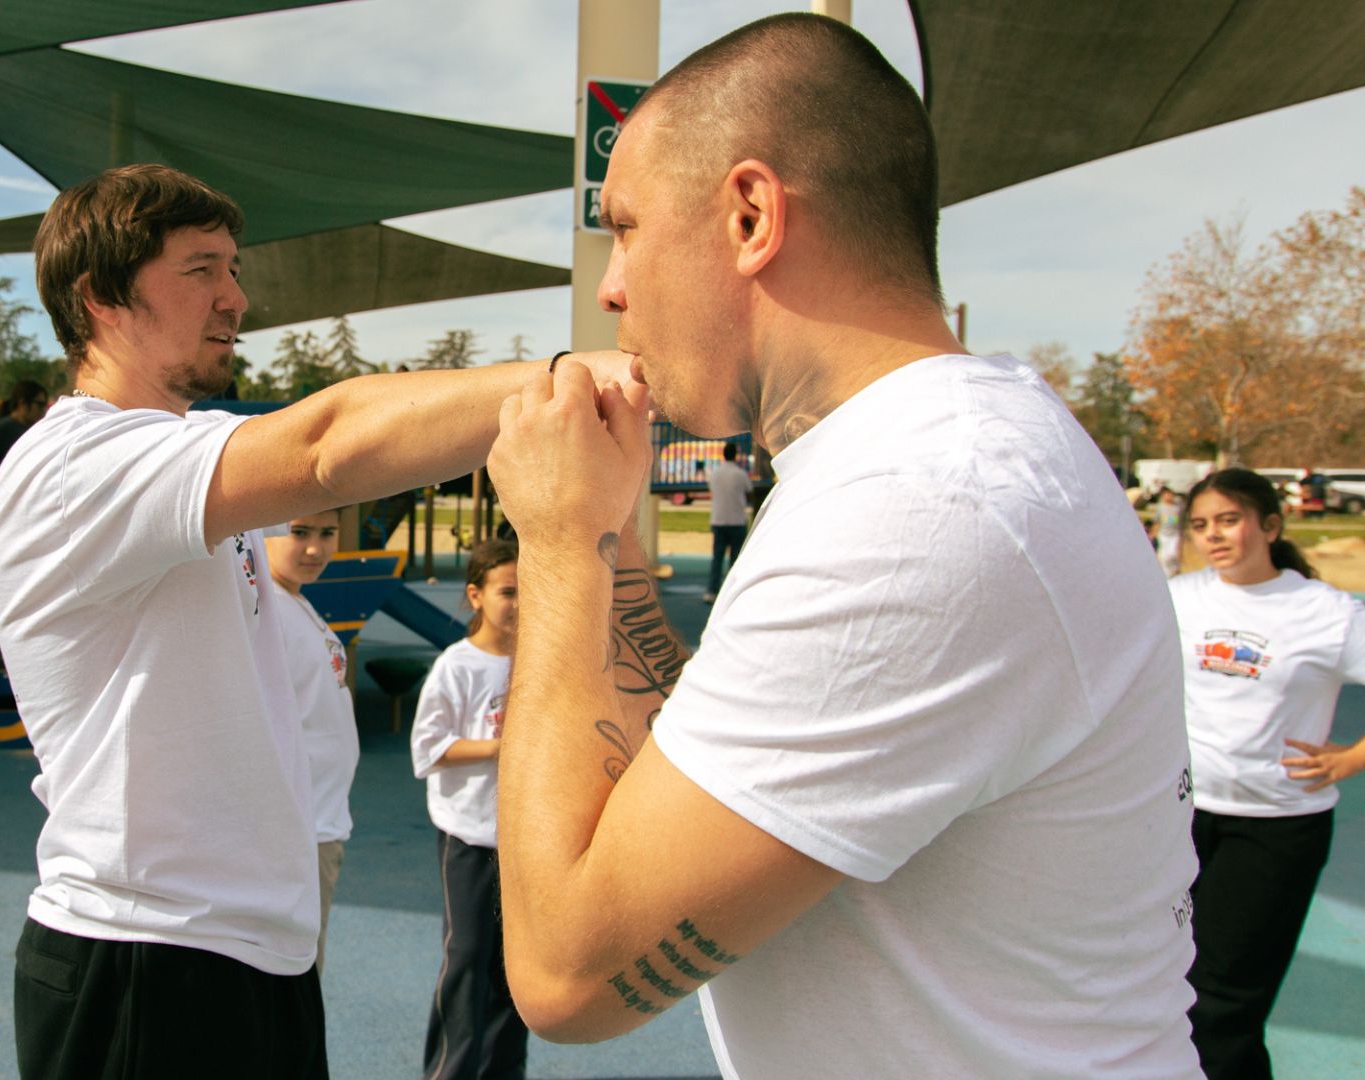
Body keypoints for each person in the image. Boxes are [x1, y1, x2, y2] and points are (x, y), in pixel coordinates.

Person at [481, 14, 1199, 1077]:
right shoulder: (917, 460)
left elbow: (569, 977)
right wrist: (609, 546)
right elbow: (704, 769)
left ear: (751, 214)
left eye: (626, 227)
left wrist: (553, 543)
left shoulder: (920, 507)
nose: (612, 287)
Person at [0, 163, 632, 1080]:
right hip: (145, 953)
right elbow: (328, 442)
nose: (235, 298)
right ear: (100, 296)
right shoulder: (77, 462)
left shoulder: (182, 480)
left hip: (245, 948)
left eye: (233, 270)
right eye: (201, 269)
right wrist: (587, 378)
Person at [1172, 468, 1365, 1079]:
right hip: (1179, 819)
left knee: (1226, 1004)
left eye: (1229, 520)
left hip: (1274, 829)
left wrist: (1354, 757)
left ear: (1270, 526)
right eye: (1199, 525)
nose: (1213, 536)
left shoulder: (1324, 613)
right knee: (1161, 988)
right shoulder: (1178, 597)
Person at [408, 539, 527, 1080]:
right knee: (467, 958)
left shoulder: (540, 660)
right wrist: (502, 747)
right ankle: (449, 1072)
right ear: (476, 595)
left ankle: (502, 1071)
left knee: (516, 970)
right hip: (471, 837)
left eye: (529, 591)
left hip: (526, 842)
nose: (520, 603)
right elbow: (428, 749)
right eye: (508, 592)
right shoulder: (457, 667)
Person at [263, 509, 359, 973]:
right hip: (298, 829)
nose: (315, 549)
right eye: (298, 532)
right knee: (294, 975)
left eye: (327, 533)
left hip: (319, 819)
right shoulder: (268, 610)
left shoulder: (295, 601)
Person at [0, 380, 51, 482]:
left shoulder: (34, 428)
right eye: (40, 404)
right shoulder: (6, 426)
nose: (43, 410)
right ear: (23, 403)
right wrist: (0, 471)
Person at [702, 439, 751, 602]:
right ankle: (732, 594)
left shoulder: (715, 474)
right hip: (736, 520)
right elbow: (749, 489)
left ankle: (711, 590)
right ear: (735, 456)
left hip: (719, 520)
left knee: (717, 558)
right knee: (735, 560)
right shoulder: (740, 474)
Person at [1155, 485, 1185, 575]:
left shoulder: (1177, 508)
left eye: (1170, 494)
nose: (1169, 497)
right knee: (1164, 556)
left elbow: (1181, 522)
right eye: (1166, 495)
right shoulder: (1161, 507)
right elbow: (1157, 521)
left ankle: (1175, 571)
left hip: (1174, 534)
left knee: (1173, 554)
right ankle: (1166, 574)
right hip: (1163, 534)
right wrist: (1153, 533)